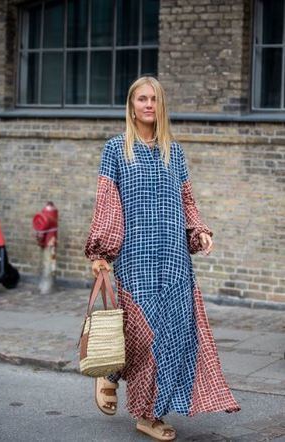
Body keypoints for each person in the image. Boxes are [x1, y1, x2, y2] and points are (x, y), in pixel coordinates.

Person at [84, 76, 240, 441]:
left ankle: (148, 413)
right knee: (140, 334)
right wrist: (101, 252)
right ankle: (111, 377)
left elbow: (187, 200)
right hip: (134, 257)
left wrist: (198, 229)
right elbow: (107, 203)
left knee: (170, 336)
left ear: (161, 105)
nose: (149, 105)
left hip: (173, 259)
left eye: (154, 99)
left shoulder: (174, 151)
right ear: (132, 105)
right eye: (142, 98)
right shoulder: (116, 149)